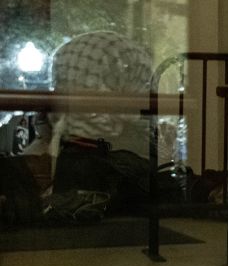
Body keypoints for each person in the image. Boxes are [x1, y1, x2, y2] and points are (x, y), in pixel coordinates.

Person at [46, 31, 155, 219]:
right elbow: (135, 106)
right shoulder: (127, 143)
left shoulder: (64, 130)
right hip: (104, 160)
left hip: (72, 157)